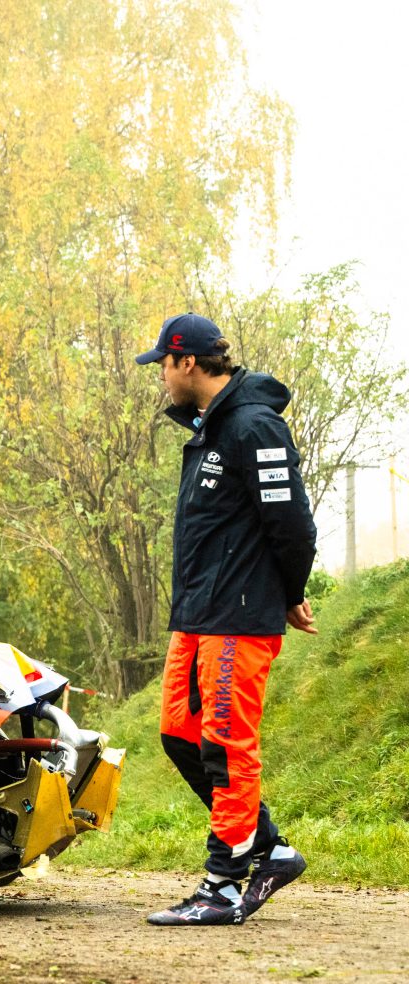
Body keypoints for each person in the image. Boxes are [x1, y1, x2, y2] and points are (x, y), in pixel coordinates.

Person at [135, 313, 317, 927]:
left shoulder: (254, 426)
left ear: (187, 362)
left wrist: (289, 592)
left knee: (225, 745)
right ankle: (269, 849)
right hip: (198, 613)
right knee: (180, 734)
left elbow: (292, 524)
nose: (161, 376)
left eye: (163, 364)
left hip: (239, 615)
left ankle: (224, 885)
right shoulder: (209, 426)